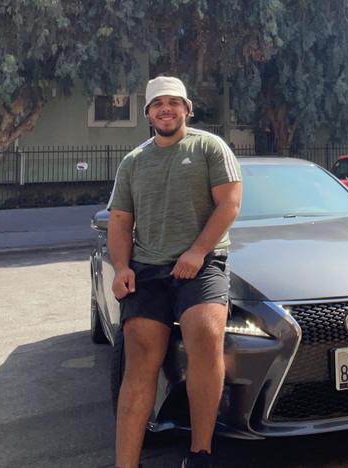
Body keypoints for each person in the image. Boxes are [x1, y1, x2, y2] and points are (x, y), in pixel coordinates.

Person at [107, 75, 242, 468]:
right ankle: (126, 463)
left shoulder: (210, 147)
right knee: (140, 353)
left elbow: (230, 203)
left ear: (187, 108)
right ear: (148, 112)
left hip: (202, 264)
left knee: (205, 333)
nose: (166, 108)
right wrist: (120, 268)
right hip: (148, 269)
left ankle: (200, 453)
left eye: (174, 102)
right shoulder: (133, 161)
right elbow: (119, 220)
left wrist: (197, 251)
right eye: (158, 103)